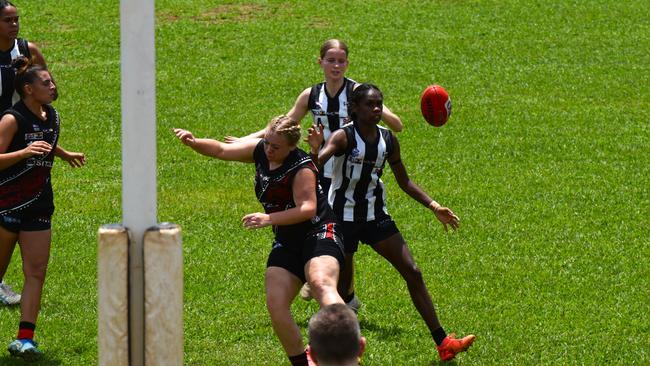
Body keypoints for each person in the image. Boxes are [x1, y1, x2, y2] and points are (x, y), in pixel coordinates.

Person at [228, 39, 403, 311]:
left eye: (341, 61)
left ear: (347, 63)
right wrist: (244, 139)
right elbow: (284, 124)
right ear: (319, 62)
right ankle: (339, 288)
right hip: (320, 167)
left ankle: (336, 287)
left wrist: (387, 116)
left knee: (341, 231)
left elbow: (396, 123)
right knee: (332, 229)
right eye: (330, 60)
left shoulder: (357, 93)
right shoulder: (311, 95)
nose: (336, 66)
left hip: (347, 170)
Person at [307, 83, 475, 362]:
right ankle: (328, 353)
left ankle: (443, 342)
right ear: (355, 108)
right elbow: (315, 167)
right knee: (341, 294)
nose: (376, 109)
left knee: (413, 271)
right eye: (370, 104)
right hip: (342, 219)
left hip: (375, 217)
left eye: (379, 104)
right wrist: (315, 150)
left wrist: (434, 206)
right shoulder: (342, 137)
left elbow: (404, 181)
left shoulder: (388, 140)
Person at [174, 115, 345, 366]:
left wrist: (268, 218)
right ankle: (302, 363)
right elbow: (222, 150)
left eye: (275, 147)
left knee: (320, 284)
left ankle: (349, 352)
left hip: (319, 232)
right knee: (276, 303)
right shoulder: (261, 152)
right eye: (266, 143)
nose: (268, 150)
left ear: (291, 147)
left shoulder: (302, 167)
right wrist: (194, 142)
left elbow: (308, 208)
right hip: (288, 239)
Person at [0, 56, 85, 361]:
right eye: (45, 82)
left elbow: (45, 139)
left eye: (52, 81)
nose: (52, 86)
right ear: (27, 89)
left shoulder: (51, 115)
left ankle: (25, 338)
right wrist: (23, 153)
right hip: (6, 205)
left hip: (38, 204)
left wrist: (62, 154)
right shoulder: (12, 119)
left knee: (35, 271)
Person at [0, 0, 56, 306]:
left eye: (16, 19)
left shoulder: (26, 50)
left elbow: (46, 89)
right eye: (7, 20)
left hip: (17, 133)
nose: (14, 25)